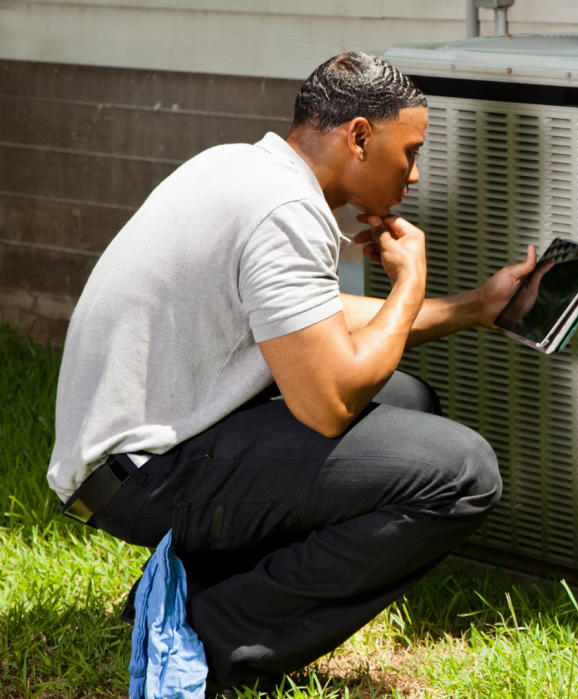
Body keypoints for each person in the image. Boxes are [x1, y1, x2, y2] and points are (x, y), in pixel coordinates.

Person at [46, 51, 537, 692]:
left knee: (405, 400)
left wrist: (476, 307)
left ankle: (171, 597)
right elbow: (328, 403)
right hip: (141, 478)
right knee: (461, 472)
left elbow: (315, 318)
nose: (413, 176)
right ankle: (209, 637)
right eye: (409, 152)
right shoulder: (284, 209)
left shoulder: (241, 166)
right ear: (360, 137)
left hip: (133, 458)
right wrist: (409, 282)